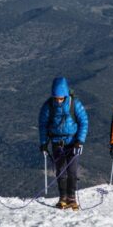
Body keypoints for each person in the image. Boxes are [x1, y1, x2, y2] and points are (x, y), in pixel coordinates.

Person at [38, 77, 88, 210]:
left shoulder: (74, 104)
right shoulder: (48, 106)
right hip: (57, 143)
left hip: (73, 143)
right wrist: (43, 143)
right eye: (56, 98)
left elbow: (84, 122)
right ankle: (63, 198)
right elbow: (43, 125)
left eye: (61, 98)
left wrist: (79, 141)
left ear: (65, 95)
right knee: (61, 171)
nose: (59, 100)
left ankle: (72, 198)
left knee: (72, 171)